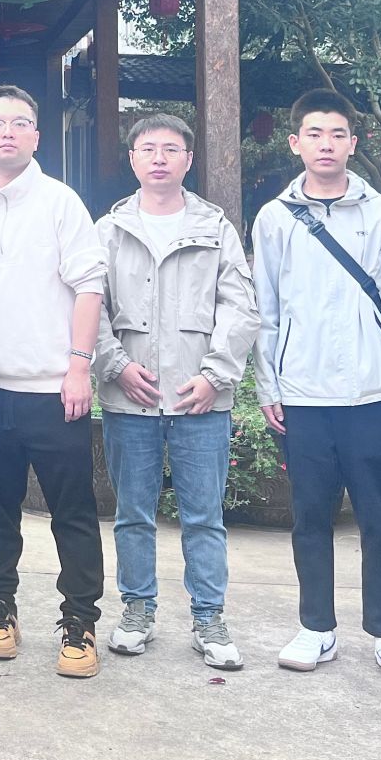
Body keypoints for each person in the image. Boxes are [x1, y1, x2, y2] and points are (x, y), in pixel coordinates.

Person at [251, 90, 381, 687]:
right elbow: (266, 309)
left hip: (371, 393)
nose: (325, 144)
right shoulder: (275, 217)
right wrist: (268, 385)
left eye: (336, 134)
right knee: (309, 517)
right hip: (302, 394)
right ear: (295, 143)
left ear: (353, 143)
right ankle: (316, 628)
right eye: (314, 134)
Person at [0, 85, 108, 678]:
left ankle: (80, 622)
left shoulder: (62, 201)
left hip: (55, 388)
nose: (7, 131)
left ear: (37, 136)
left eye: (20, 122)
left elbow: (89, 286)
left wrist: (79, 366)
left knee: (72, 512)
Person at [93, 112, 258, 670]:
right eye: (148, 148)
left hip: (199, 399)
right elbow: (89, 305)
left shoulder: (215, 227)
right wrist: (115, 365)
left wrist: (214, 376)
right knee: (132, 514)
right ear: (132, 159)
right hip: (130, 398)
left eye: (170, 149)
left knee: (204, 516)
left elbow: (240, 308)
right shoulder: (110, 229)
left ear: (188, 159)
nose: (159, 158)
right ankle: (137, 609)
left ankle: (209, 617)